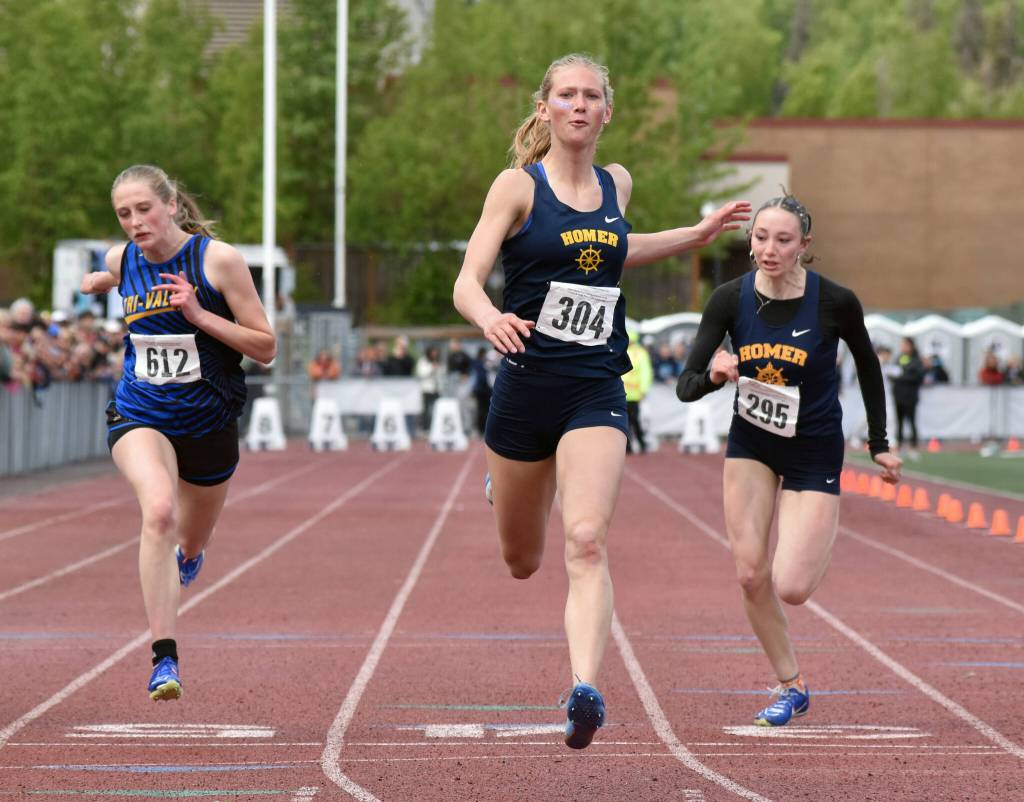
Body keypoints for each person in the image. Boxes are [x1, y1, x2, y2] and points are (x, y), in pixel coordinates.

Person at [452, 52, 750, 749]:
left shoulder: (618, 184)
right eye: (566, 95)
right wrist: (487, 318)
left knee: (586, 539)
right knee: (522, 560)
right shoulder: (517, 188)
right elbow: (468, 279)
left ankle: (584, 687)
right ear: (545, 109)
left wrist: (697, 235)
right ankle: (506, 480)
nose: (579, 106)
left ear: (607, 112)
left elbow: (615, 249)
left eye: (591, 96)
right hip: (526, 384)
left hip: (594, 385)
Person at [676, 193, 901, 727]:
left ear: (804, 245)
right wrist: (716, 374)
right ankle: (791, 684)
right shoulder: (729, 299)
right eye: (760, 238)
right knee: (751, 574)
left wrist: (879, 442)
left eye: (782, 240)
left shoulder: (835, 302)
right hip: (752, 444)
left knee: (792, 587)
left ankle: (817, 526)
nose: (769, 249)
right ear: (749, 240)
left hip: (813, 447)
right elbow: (686, 386)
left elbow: (868, 368)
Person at [80, 164, 275, 702]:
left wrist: (197, 313)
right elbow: (119, 275)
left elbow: (264, 347)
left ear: (170, 205)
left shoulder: (219, 260)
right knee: (159, 510)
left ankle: (190, 555)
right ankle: (164, 660)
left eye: (144, 208)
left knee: (189, 540)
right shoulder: (122, 258)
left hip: (209, 421)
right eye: (124, 214)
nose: (135, 222)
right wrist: (101, 280)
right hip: (140, 411)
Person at [890, 337, 925, 458]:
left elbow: (918, 377)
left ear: (911, 346)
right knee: (899, 422)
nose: (902, 347)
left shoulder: (916, 360)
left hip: (910, 396)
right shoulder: (900, 358)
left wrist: (902, 377)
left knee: (911, 422)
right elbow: (893, 372)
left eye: (905, 345)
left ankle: (913, 447)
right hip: (898, 395)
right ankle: (898, 446)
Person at [622, 330, 653, 453]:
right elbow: (646, 373)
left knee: (629, 421)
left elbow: (646, 373)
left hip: (626, 393)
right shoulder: (642, 353)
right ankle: (640, 444)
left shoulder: (623, 351)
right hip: (633, 393)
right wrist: (643, 390)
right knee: (634, 420)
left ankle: (631, 446)